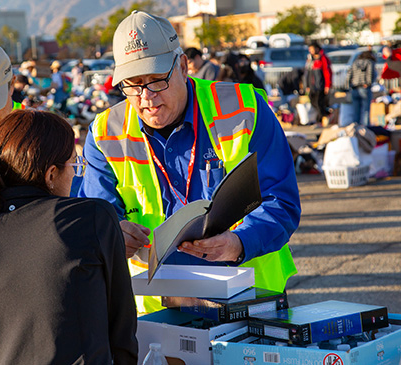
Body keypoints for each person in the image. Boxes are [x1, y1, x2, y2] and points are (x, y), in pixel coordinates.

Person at [78, 11, 301, 313]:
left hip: (249, 296)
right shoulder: (105, 132)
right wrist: (113, 234)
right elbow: (94, 218)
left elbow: (281, 201)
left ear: (182, 66)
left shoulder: (245, 109)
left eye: (157, 81)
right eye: (132, 84)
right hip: (156, 308)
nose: (146, 98)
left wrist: (239, 243)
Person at [0, 109, 138, 364]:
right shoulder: (91, 217)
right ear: (50, 174)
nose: (75, 174)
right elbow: (122, 328)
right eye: (74, 164)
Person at [305, 42, 332, 125]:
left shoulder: (323, 58)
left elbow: (327, 72)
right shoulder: (310, 59)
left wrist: (327, 85)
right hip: (312, 85)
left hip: (320, 85)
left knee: (318, 102)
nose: (311, 51)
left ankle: (319, 121)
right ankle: (327, 113)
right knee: (312, 101)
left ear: (317, 48)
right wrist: (307, 85)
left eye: (312, 49)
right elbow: (307, 73)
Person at [346, 50, 376, 126]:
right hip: (364, 87)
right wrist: (368, 83)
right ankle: (366, 128)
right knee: (366, 110)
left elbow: (349, 74)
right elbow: (370, 73)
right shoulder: (369, 62)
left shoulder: (355, 62)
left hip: (354, 87)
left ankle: (356, 127)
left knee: (356, 110)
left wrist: (349, 85)